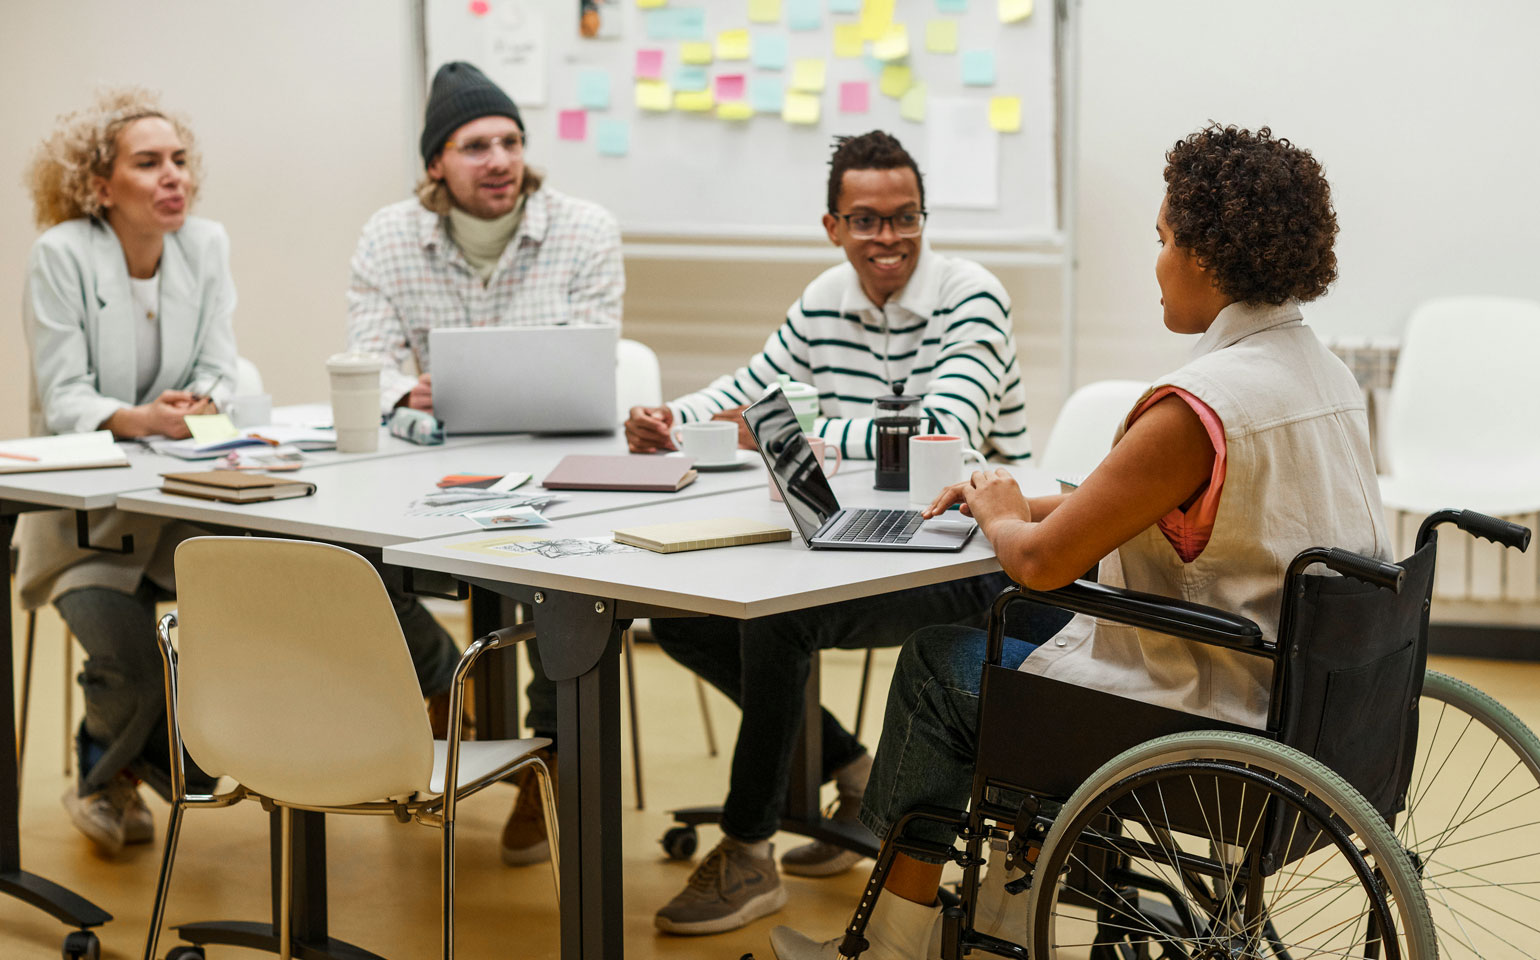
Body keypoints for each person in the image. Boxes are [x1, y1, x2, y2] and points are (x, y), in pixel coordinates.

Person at [770, 124, 1391, 960]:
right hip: (1308, 702)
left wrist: (1000, 516)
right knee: (1017, 641)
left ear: (1206, 256)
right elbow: (1161, 505)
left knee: (938, 668)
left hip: (1207, 714)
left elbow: (1039, 561)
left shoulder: (1196, 406)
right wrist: (1021, 494)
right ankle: (1000, 907)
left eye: (1163, 240)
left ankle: (896, 942)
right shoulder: (1318, 374)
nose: (1157, 262)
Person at [625, 131, 1061, 937]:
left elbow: (944, 432)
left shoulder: (974, 294)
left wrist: (803, 425)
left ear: (925, 218)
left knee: (781, 620)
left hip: (974, 550)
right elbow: (753, 386)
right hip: (863, 537)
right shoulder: (826, 296)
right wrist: (672, 419)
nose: (887, 238)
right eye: (865, 220)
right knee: (683, 620)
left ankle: (749, 849)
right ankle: (853, 772)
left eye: (905, 218)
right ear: (833, 226)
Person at [345, 61, 624, 867]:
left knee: (569, 579)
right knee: (343, 556)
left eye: (510, 141)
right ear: (437, 163)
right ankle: (438, 687)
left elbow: (591, 360)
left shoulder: (584, 228)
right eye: (475, 146)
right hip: (418, 474)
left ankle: (553, 749)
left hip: (554, 470)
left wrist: (456, 387)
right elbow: (373, 361)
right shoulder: (388, 236)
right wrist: (406, 387)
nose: (498, 159)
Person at [16, 89, 238, 855]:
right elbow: (65, 393)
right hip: (81, 523)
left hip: (175, 507)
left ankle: (157, 762)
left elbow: (223, 366)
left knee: (255, 608)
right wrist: (140, 417)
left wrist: (206, 400)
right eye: (149, 163)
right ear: (99, 186)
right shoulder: (61, 256)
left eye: (179, 161)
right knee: (137, 671)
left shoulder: (205, 246)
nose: (174, 177)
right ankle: (107, 772)